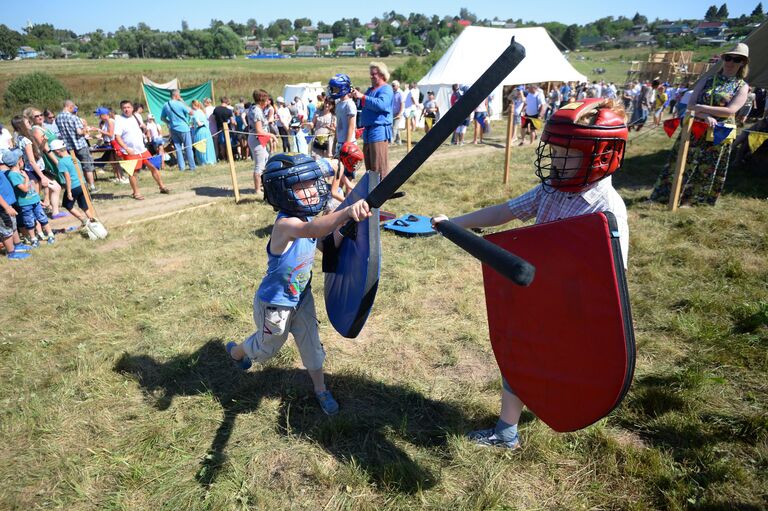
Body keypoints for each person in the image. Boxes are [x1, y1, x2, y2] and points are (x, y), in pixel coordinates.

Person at [431, 98, 629, 449]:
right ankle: (508, 429)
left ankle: (527, 415)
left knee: (544, 358)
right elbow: (507, 211)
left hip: (570, 303)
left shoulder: (605, 209)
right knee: (519, 351)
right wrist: (454, 223)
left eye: (565, 153)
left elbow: (610, 276)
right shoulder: (554, 187)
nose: (555, 160)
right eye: (553, 150)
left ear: (599, 155)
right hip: (535, 293)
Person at [225, 153, 372, 415]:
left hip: (302, 299)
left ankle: (320, 389)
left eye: (311, 184)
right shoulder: (286, 224)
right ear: (282, 194)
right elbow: (314, 230)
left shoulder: (307, 219)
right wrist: (345, 211)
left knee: (312, 347)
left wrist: (346, 228)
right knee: (265, 350)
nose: (311, 192)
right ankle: (238, 352)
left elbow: (327, 245)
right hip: (276, 305)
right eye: (301, 187)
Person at [649, 43, 751, 207]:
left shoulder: (742, 86)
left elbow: (730, 111)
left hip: (719, 132)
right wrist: (704, 115)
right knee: (681, 161)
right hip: (695, 126)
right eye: (728, 58)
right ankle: (666, 196)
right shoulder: (707, 79)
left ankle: (694, 201)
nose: (731, 62)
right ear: (723, 59)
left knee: (707, 166)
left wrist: (701, 109)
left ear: (743, 63)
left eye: (737, 59)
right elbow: (690, 105)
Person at [114, 100, 170, 200]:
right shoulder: (119, 120)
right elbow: (117, 137)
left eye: (128, 107)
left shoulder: (137, 116)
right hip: (130, 151)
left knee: (153, 167)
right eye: (124, 108)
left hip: (142, 149)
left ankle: (162, 187)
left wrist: (145, 129)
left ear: (132, 108)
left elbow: (144, 128)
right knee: (133, 172)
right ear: (121, 109)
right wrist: (126, 148)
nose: (126, 109)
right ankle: (136, 193)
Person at [4, 148, 55, 246]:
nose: (23, 161)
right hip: (25, 203)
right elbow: (25, 189)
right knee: (29, 221)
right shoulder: (13, 175)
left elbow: (31, 189)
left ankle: (50, 234)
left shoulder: (21, 171)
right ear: (18, 161)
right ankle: (33, 239)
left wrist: (36, 198)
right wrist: (27, 179)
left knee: (42, 217)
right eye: (21, 159)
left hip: (34, 200)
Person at [351, 62, 393, 179]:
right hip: (368, 131)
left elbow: (381, 105)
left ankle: (383, 191)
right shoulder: (370, 90)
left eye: (373, 74)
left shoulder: (386, 89)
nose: (371, 76)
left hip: (378, 130)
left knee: (379, 166)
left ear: (382, 74)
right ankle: (372, 190)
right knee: (370, 167)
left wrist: (363, 97)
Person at [49, 139, 97, 228]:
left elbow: (67, 178)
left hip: (74, 186)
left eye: (54, 152)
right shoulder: (74, 158)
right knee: (84, 205)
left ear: (57, 151)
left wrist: (69, 192)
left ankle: (83, 220)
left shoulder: (62, 162)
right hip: (82, 184)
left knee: (67, 205)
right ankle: (92, 220)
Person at [56, 100, 97, 193]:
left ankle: (79, 186)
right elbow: (79, 132)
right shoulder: (74, 117)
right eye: (73, 108)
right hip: (80, 145)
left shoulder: (58, 117)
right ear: (70, 107)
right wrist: (86, 129)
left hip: (68, 147)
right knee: (87, 166)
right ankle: (92, 186)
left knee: (75, 167)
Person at [0, 150, 33, 259]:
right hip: (3, 207)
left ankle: (17, 245)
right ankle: (11, 252)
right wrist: (7, 207)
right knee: (7, 230)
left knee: (13, 226)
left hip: (9, 206)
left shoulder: (5, 172)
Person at [246, 89, 278, 196]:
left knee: (264, 161)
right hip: (257, 139)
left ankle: (262, 186)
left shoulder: (255, 108)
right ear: (261, 99)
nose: (268, 101)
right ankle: (257, 190)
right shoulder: (257, 111)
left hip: (260, 139)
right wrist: (272, 135)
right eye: (266, 99)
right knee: (260, 164)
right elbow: (259, 130)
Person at [160, 89, 196, 171]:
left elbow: (162, 118)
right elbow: (191, 112)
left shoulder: (166, 105)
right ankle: (192, 167)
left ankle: (181, 167)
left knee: (178, 149)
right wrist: (183, 101)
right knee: (188, 147)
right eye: (179, 95)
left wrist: (169, 123)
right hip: (183, 128)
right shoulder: (180, 104)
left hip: (173, 128)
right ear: (176, 95)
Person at [328, 74, 357, 157]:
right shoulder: (339, 103)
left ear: (343, 88)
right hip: (340, 143)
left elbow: (351, 126)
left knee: (348, 170)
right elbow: (338, 126)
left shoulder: (349, 104)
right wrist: (334, 143)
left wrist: (347, 145)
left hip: (349, 144)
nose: (333, 91)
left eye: (335, 89)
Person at [190, 100, 216, 165]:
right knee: (208, 146)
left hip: (200, 131)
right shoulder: (202, 112)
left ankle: (203, 161)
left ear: (194, 105)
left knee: (201, 147)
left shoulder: (195, 113)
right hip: (206, 131)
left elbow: (199, 123)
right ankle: (210, 160)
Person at [390, 80, 404, 145]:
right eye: (392, 85)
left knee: (394, 127)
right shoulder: (392, 92)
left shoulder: (400, 93)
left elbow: (402, 104)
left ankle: (391, 141)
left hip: (398, 113)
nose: (392, 86)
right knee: (396, 127)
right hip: (392, 112)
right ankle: (398, 141)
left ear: (398, 86)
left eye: (393, 85)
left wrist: (400, 113)